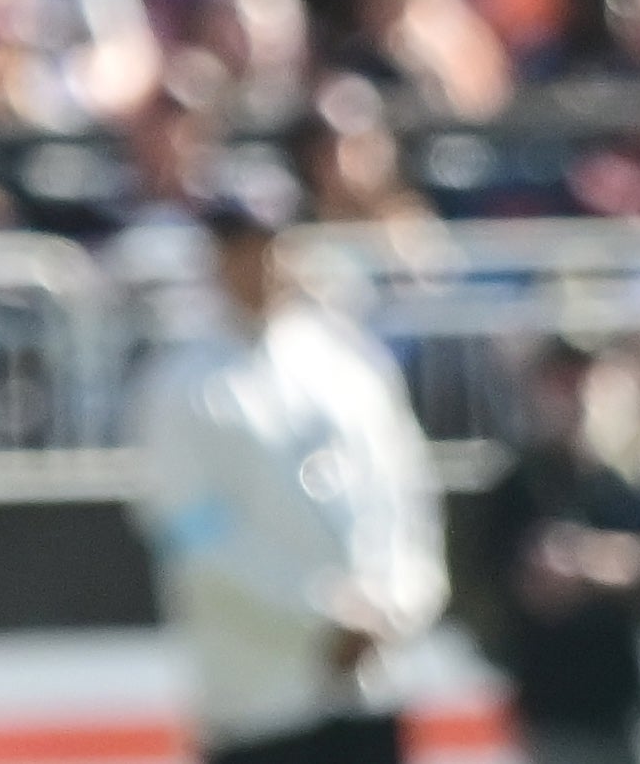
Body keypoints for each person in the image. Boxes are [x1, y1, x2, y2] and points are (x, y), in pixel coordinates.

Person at [127, 188, 446, 764]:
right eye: (243, 251)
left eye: (274, 249)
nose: (263, 267)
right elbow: (192, 530)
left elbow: (406, 491)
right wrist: (322, 615)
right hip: (259, 693)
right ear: (214, 262)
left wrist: (398, 602)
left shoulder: (350, 364)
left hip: (368, 684)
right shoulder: (178, 384)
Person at [477, 337, 640, 764]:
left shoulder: (625, 483)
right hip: (551, 707)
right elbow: (500, 584)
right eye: (564, 381)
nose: (576, 395)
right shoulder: (517, 485)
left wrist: (590, 564)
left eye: (585, 381)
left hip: (621, 701)